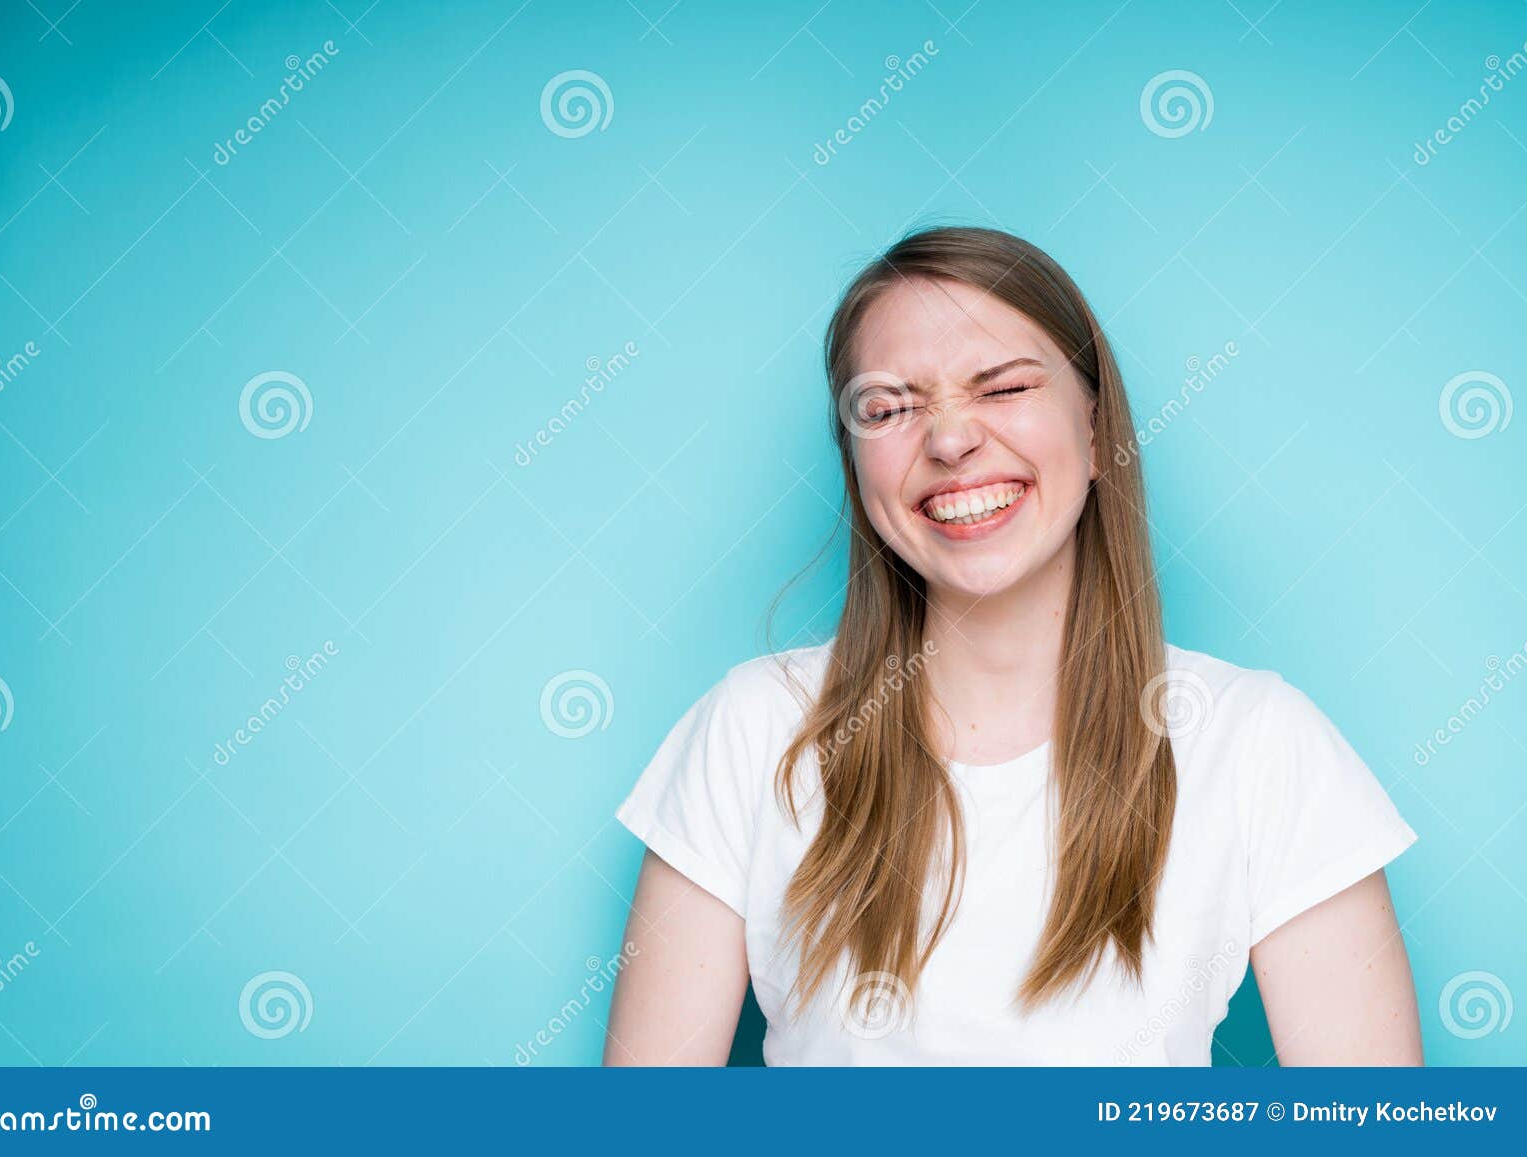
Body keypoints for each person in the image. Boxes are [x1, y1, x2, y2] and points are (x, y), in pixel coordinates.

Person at [604, 226, 1420, 1066]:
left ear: (1098, 432)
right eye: (889, 407)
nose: (950, 439)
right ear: (857, 463)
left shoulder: (1257, 744)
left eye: (1001, 388)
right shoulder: (753, 731)